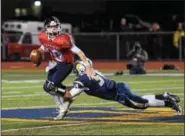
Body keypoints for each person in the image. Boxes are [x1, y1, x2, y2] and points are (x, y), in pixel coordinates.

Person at [54, 60, 182, 120]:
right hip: (119, 87)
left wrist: (56, 89)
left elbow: (70, 94)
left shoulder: (82, 80)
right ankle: (165, 96)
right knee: (140, 100)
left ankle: (168, 101)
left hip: (118, 93)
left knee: (141, 103)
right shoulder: (92, 72)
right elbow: (79, 88)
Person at [30, 16, 95, 120]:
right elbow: (44, 46)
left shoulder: (64, 39)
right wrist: (38, 52)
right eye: (51, 27)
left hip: (66, 65)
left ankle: (67, 99)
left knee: (51, 86)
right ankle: (64, 103)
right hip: (55, 64)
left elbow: (79, 52)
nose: (54, 28)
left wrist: (88, 67)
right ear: (46, 28)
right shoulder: (43, 36)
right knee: (47, 87)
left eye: (55, 26)